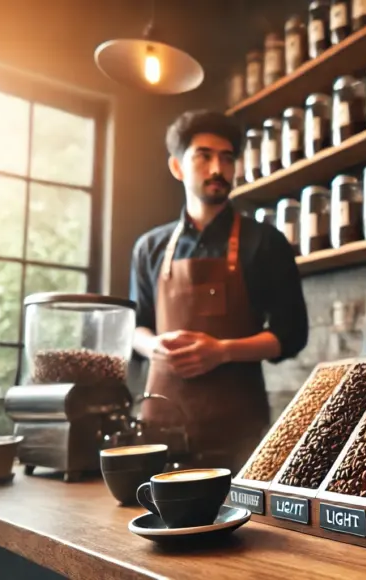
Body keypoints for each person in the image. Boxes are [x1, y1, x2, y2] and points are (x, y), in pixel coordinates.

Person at [130, 110, 308, 471]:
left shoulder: (265, 242)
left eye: (227, 158)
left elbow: (290, 335)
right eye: (204, 156)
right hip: (159, 428)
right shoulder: (149, 247)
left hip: (237, 432)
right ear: (177, 167)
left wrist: (222, 351)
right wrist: (154, 346)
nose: (218, 168)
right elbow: (134, 327)